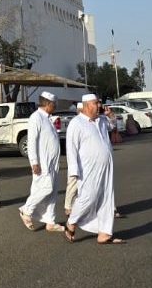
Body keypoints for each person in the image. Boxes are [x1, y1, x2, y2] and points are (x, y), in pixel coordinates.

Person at [63, 94, 126, 244]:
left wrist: (110, 114)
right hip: (87, 169)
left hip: (106, 167)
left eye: (98, 103)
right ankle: (71, 223)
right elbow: (71, 149)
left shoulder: (101, 120)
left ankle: (104, 234)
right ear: (85, 105)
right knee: (87, 197)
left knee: (106, 199)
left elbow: (113, 125)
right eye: (95, 103)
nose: (98, 106)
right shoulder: (76, 123)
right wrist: (73, 171)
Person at [19, 91, 63, 232]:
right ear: (47, 103)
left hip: (52, 163)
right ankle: (26, 210)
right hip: (42, 163)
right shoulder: (36, 117)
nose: (55, 106)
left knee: (53, 191)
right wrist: (34, 162)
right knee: (46, 188)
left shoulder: (47, 118)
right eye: (53, 104)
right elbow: (32, 141)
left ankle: (50, 221)